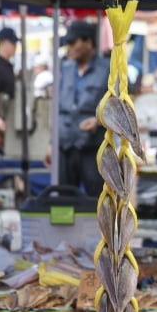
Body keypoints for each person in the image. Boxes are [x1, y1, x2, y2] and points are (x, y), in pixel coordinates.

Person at [47, 20, 109, 197]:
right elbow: (57, 108)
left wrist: (98, 121)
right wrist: (51, 143)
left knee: (97, 201)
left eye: (73, 43)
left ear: (89, 43)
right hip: (65, 146)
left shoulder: (106, 70)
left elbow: (119, 107)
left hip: (92, 148)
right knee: (64, 203)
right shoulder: (65, 68)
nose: (69, 48)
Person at [0, 27, 19, 135]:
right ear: (3, 43)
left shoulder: (9, 66)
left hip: (8, 120)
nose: (15, 47)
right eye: (13, 43)